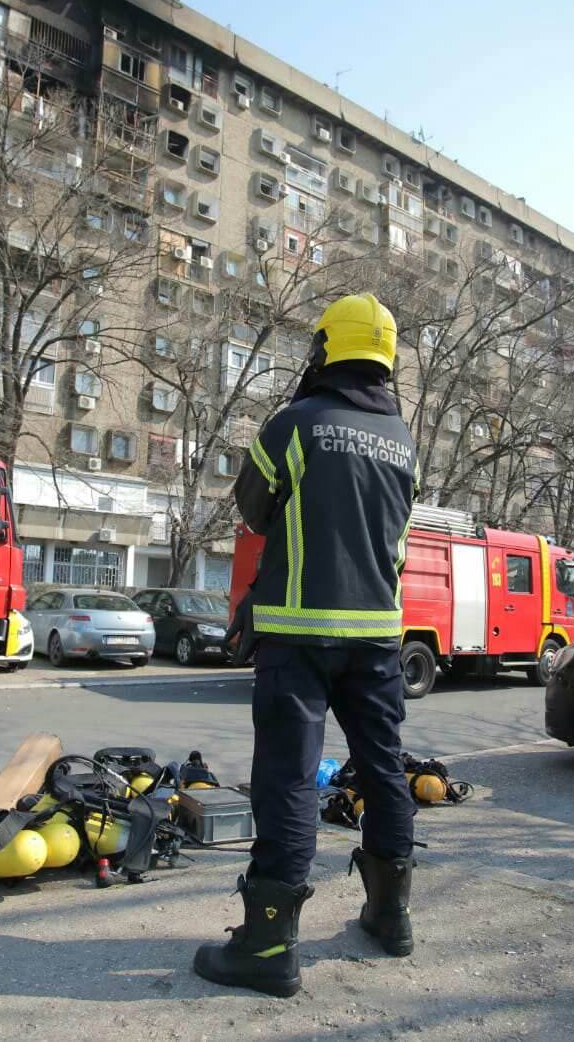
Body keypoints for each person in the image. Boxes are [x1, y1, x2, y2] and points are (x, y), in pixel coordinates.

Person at [193, 293, 419, 997]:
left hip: (298, 634)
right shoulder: (403, 439)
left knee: (289, 779)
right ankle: (391, 918)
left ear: (325, 349)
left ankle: (268, 947)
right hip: (378, 636)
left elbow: (254, 508)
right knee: (383, 769)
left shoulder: (296, 423)